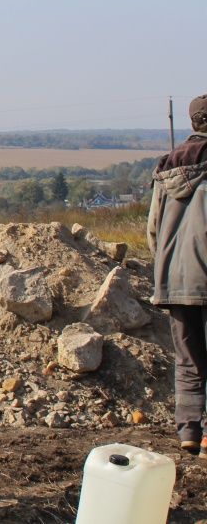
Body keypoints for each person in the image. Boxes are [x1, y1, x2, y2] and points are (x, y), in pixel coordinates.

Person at [148, 93, 207, 455]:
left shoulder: (168, 167)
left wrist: (165, 269)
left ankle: (188, 430)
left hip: (175, 279)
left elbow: (154, 229)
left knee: (188, 357)